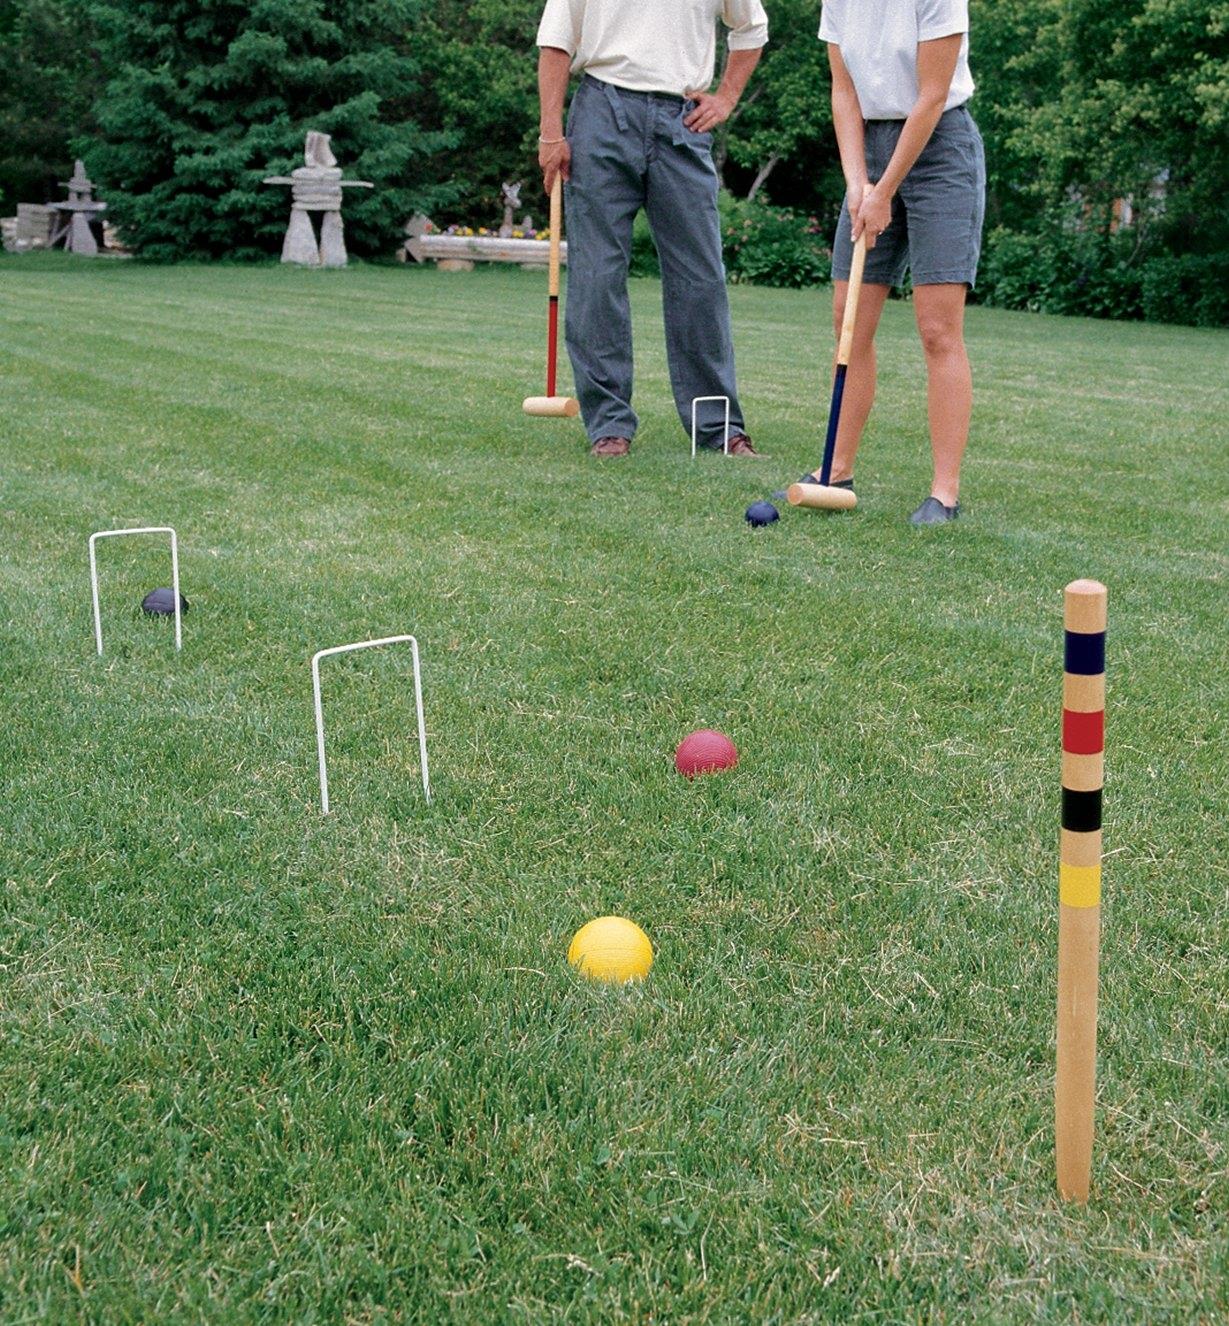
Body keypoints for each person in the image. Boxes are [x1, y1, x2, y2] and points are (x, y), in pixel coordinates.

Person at [535, 0, 768, 458]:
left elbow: (751, 28)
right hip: (602, 109)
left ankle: (718, 428)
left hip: (683, 118)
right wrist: (550, 132)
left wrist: (727, 98)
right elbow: (557, 41)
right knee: (597, 276)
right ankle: (609, 425)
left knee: (700, 278)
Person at [814, 0, 985, 524]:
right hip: (868, 145)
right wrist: (856, 183)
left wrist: (884, 189)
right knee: (850, 318)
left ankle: (944, 493)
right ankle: (834, 472)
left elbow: (932, 96)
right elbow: (843, 91)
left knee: (937, 328)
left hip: (940, 148)